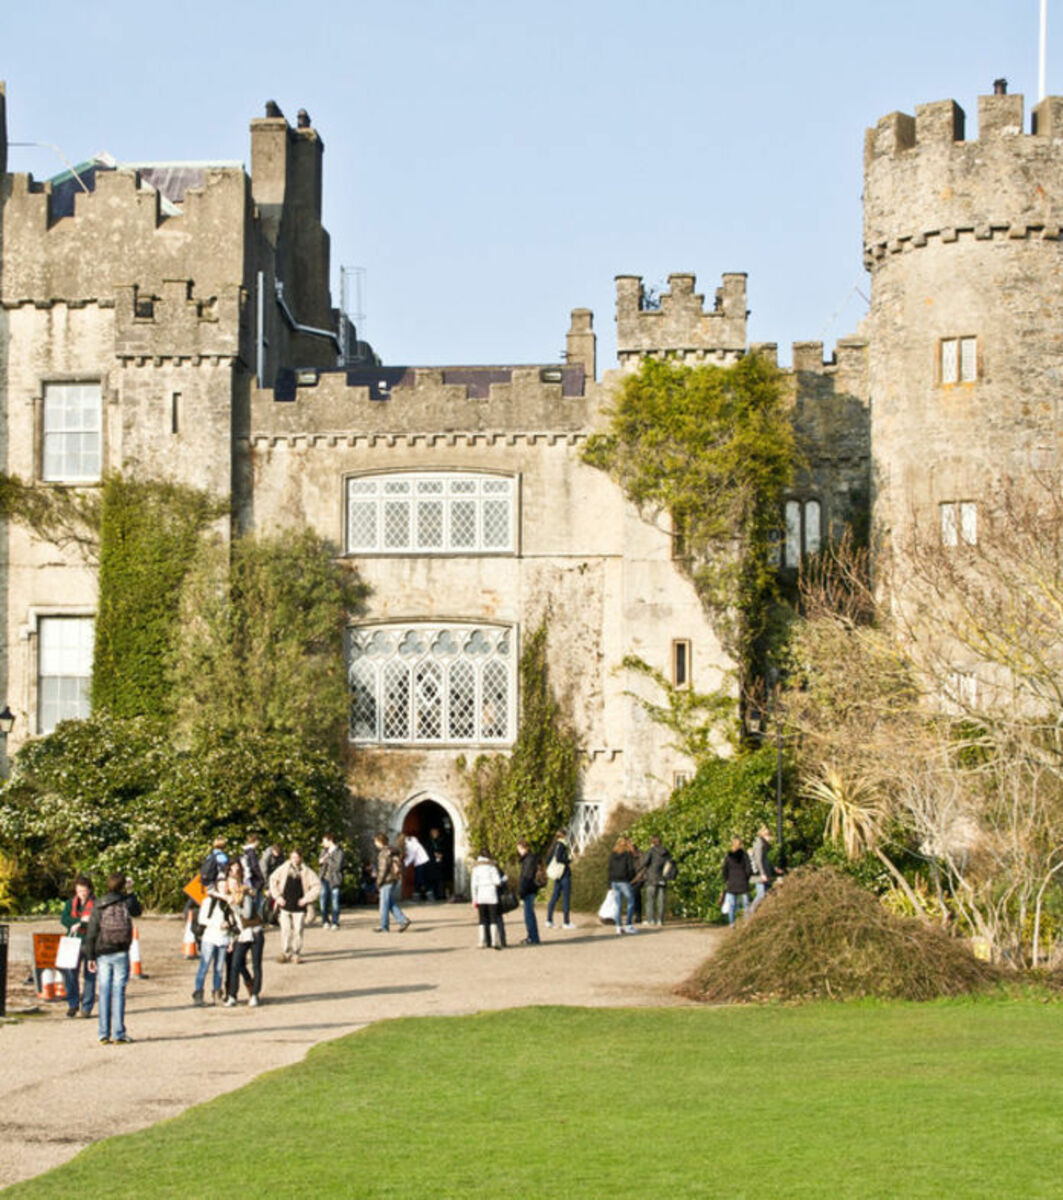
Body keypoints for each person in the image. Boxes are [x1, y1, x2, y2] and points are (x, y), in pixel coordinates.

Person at [83, 872, 136, 1044]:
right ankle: (119, 1033)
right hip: (121, 950)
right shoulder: (125, 902)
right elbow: (138, 911)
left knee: (104, 991)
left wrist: (90, 956)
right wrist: (130, 891)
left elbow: (91, 932)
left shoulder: (99, 903)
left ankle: (103, 1033)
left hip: (103, 951)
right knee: (118, 991)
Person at [269, 849, 321, 963]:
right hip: (285, 905)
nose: (295, 860)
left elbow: (317, 886)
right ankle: (285, 952)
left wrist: (306, 899)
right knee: (285, 930)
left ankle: (296, 953)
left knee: (298, 930)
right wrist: (277, 897)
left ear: (301, 858)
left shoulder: (306, 871)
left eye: (297, 857)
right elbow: (273, 880)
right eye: (293, 857)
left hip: (299, 907)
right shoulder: (283, 869)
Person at [194, 867, 237, 1004]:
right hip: (210, 937)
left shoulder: (230, 902)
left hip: (223, 939)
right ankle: (198, 994)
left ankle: (217, 993)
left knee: (219, 969)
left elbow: (234, 923)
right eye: (221, 885)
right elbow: (202, 919)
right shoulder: (209, 901)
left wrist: (231, 939)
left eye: (225, 885)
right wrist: (218, 924)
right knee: (204, 966)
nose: (224, 888)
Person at [226, 862, 264, 1007]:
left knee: (256, 964)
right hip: (242, 935)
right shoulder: (229, 899)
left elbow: (247, 914)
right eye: (230, 884)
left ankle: (254, 994)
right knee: (236, 964)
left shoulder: (245, 895)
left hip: (254, 932)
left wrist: (235, 907)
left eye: (235, 884)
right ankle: (232, 995)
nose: (233, 887)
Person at [60, 874, 95, 1018]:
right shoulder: (70, 903)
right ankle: (73, 1004)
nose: (81, 893)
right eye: (79, 890)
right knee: (70, 974)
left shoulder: (96, 903)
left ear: (89, 890)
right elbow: (64, 919)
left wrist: (81, 923)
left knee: (90, 975)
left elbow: (94, 921)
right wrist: (78, 921)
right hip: (73, 942)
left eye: (84, 890)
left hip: (89, 942)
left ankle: (86, 1007)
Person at [373, 834, 411, 933]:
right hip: (394, 879)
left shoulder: (384, 853)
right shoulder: (393, 851)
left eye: (375, 841)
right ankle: (403, 920)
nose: (375, 843)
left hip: (387, 880)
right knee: (390, 903)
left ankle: (384, 926)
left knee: (384, 904)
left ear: (379, 842)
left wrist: (378, 882)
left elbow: (383, 869)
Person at [470, 851, 505, 950]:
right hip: (491, 894)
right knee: (493, 919)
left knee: (482, 919)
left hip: (481, 895)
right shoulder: (492, 868)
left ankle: (482, 941)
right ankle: (494, 941)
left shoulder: (476, 869)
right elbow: (497, 881)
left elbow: (473, 886)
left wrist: (474, 899)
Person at [641, 835, 675, 927]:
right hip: (663, 878)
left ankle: (650, 919)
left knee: (650, 900)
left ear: (652, 842)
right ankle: (660, 920)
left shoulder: (651, 851)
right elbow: (671, 864)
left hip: (651, 878)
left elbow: (643, 863)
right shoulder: (667, 852)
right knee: (661, 900)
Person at [608, 836, 639, 934]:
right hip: (624, 880)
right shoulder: (627, 854)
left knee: (618, 904)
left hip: (614, 881)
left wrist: (609, 883)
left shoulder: (613, 855)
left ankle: (618, 926)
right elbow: (630, 868)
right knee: (631, 901)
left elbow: (609, 869)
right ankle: (629, 925)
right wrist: (631, 878)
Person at [544, 830, 575, 929]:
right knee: (566, 898)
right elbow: (558, 858)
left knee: (554, 897)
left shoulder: (554, 845)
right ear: (564, 836)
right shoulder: (562, 845)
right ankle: (566, 922)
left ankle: (549, 920)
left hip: (557, 875)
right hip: (564, 874)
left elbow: (548, 860)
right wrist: (569, 860)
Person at [722, 836, 753, 925]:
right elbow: (748, 869)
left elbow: (724, 870)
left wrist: (727, 880)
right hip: (742, 882)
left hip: (732, 883)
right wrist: (746, 878)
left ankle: (732, 923)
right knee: (746, 905)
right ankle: (747, 923)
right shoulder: (744, 855)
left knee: (732, 905)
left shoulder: (728, 856)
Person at [750, 824, 782, 908]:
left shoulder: (764, 845)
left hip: (765, 874)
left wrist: (774, 867)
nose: (771, 839)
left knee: (769, 894)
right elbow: (759, 860)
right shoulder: (760, 845)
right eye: (770, 837)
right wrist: (762, 874)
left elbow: (765, 860)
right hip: (760, 875)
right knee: (761, 895)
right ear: (766, 836)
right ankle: (749, 915)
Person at [516, 840, 541, 945]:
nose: (519, 852)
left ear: (524, 848)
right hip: (531, 889)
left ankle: (533, 937)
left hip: (528, 890)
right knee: (529, 914)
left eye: (519, 849)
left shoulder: (528, 860)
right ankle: (533, 936)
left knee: (529, 915)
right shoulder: (530, 859)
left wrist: (521, 891)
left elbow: (526, 877)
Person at [318, 834, 345, 929]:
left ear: (330, 841)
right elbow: (320, 861)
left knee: (335, 902)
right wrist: (321, 860)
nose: (323, 844)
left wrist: (327, 858)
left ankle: (335, 922)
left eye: (324, 841)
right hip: (324, 878)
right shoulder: (324, 851)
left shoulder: (339, 852)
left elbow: (337, 866)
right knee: (323, 901)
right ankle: (325, 920)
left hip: (334, 879)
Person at [403, 833, 431, 901]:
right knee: (420, 879)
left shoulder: (411, 844)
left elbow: (411, 856)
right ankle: (423, 894)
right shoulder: (411, 843)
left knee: (420, 879)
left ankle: (422, 894)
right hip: (421, 862)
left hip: (421, 862)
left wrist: (404, 864)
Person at [427, 826, 448, 901]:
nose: (435, 834)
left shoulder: (441, 841)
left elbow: (446, 850)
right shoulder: (428, 842)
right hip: (431, 863)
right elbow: (427, 851)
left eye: (436, 832)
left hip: (440, 863)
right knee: (432, 879)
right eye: (434, 832)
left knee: (440, 879)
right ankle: (434, 895)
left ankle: (441, 895)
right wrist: (433, 855)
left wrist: (442, 854)